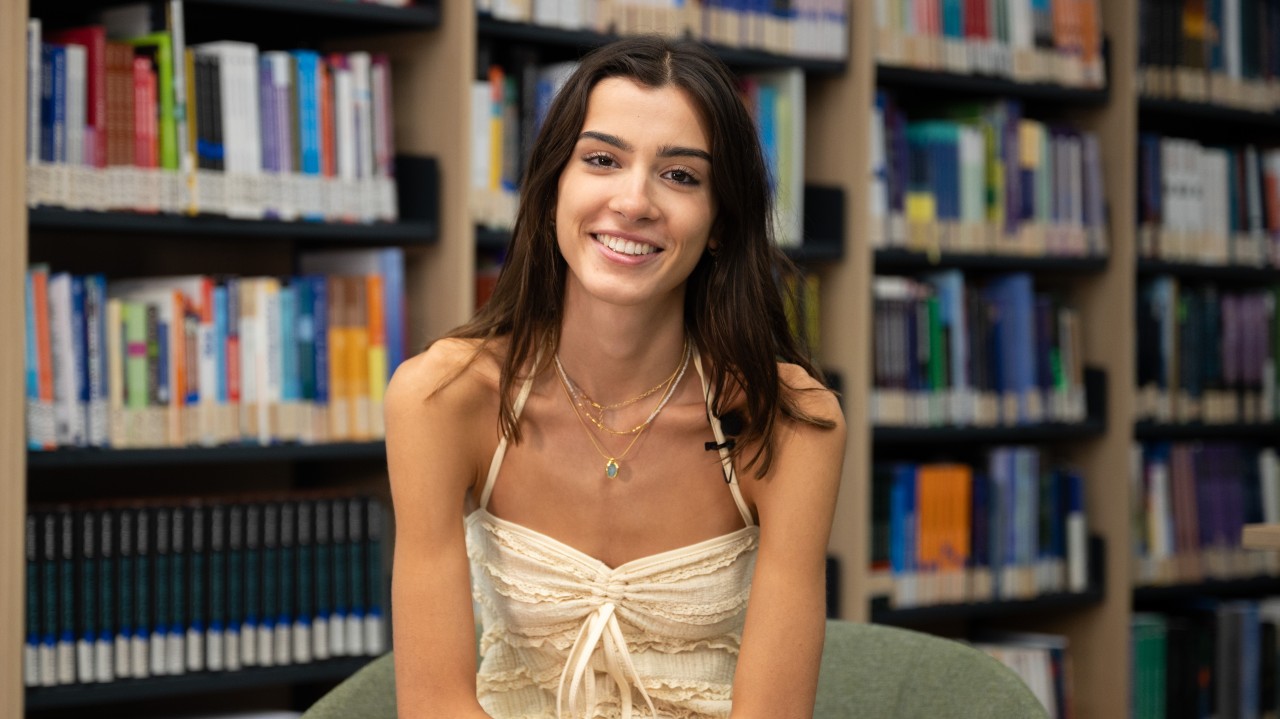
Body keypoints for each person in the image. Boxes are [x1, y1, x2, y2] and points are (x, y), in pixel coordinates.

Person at [384, 34, 847, 719]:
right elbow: (434, 703)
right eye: (601, 160)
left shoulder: (792, 420)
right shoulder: (441, 398)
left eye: (681, 176)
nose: (634, 202)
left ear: (719, 223)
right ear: (551, 191)